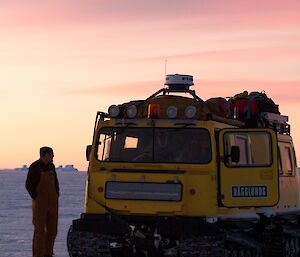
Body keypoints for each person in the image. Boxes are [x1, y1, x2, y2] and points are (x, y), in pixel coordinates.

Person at [26, 146, 59, 257]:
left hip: (53, 203)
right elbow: (29, 185)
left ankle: (48, 253)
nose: (53, 156)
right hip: (40, 203)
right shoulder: (35, 167)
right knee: (39, 230)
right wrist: (36, 197)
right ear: (45, 154)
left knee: (52, 230)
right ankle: (38, 254)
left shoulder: (51, 166)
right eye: (51, 154)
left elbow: (55, 183)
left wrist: (56, 194)